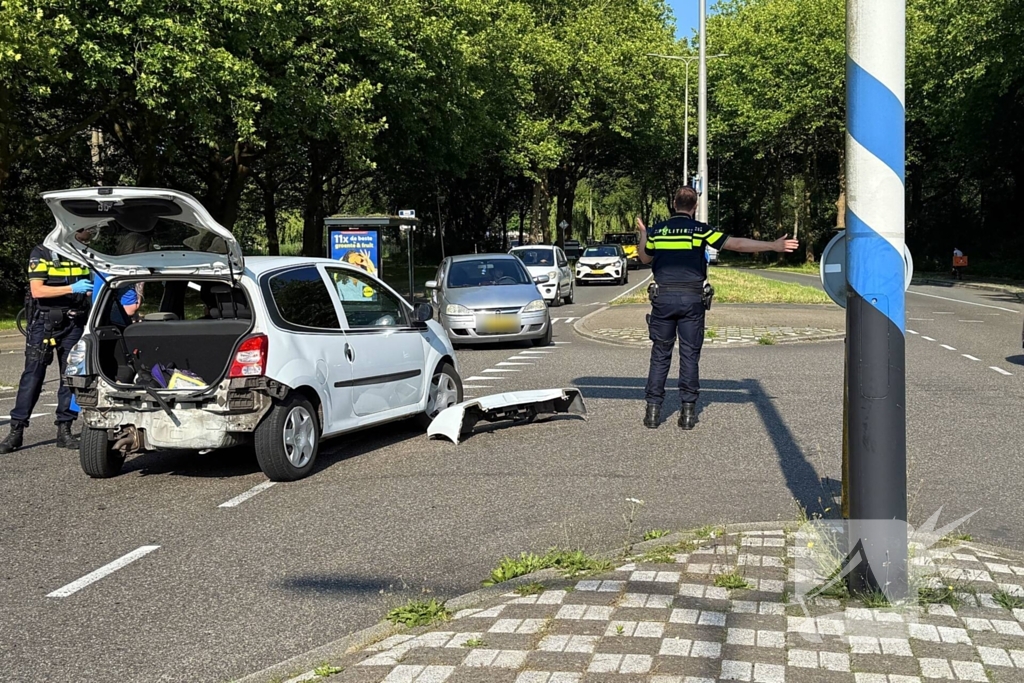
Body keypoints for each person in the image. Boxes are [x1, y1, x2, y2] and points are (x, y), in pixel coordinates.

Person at [636, 186, 799, 430]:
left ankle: (652, 412)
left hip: (664, 298)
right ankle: (688, 413)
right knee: (690, 354)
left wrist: (643, 234)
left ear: (673, 203)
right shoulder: (701, 231)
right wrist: (773, 246)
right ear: (695, 206)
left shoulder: (658, 231)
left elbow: (645, 258)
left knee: (660, 354)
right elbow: (736, 244)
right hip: (692, 299)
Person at [0, 229, 97, 453]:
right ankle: (16, 431)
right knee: (32, 376)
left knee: (70, 378)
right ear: (72, 231)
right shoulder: (42, 253)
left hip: (74, 322)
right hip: (45, 323)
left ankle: (64, 430)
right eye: (87, 231)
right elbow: (38, 290)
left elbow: (91, 288)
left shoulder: (82, 254)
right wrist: (72, 288)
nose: (90, 234)